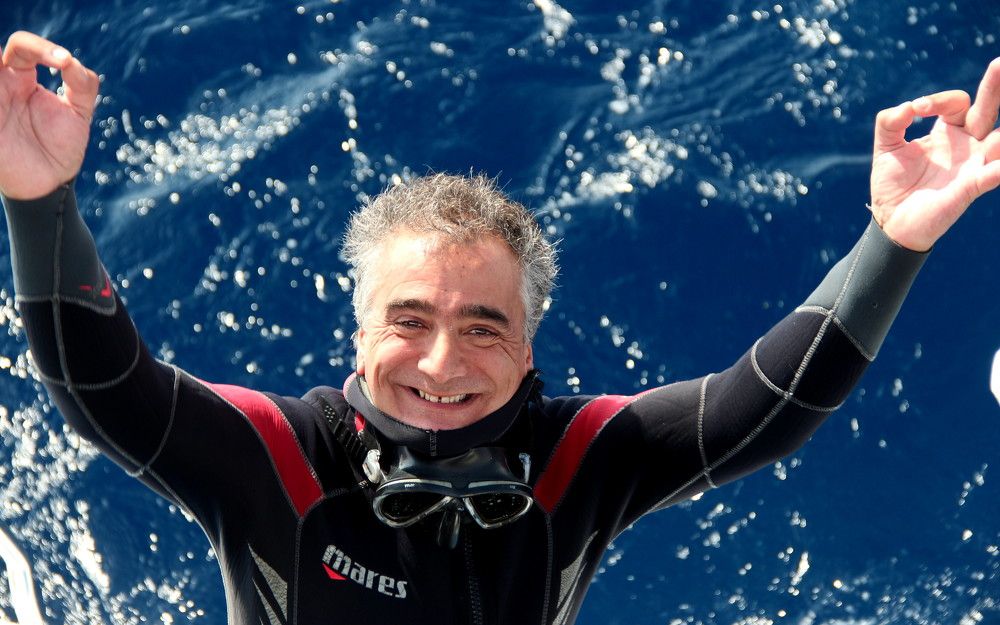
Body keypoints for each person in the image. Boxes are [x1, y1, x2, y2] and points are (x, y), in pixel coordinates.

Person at [1, 29, 998, 625]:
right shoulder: (275, 457)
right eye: (410, 318)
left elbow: (765, 407)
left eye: (483, 327)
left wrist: (893, 237)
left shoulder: (583, 459)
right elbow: (106, 392)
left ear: (527, 349)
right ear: (358, 336)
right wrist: (39, 198)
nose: (442, 362)